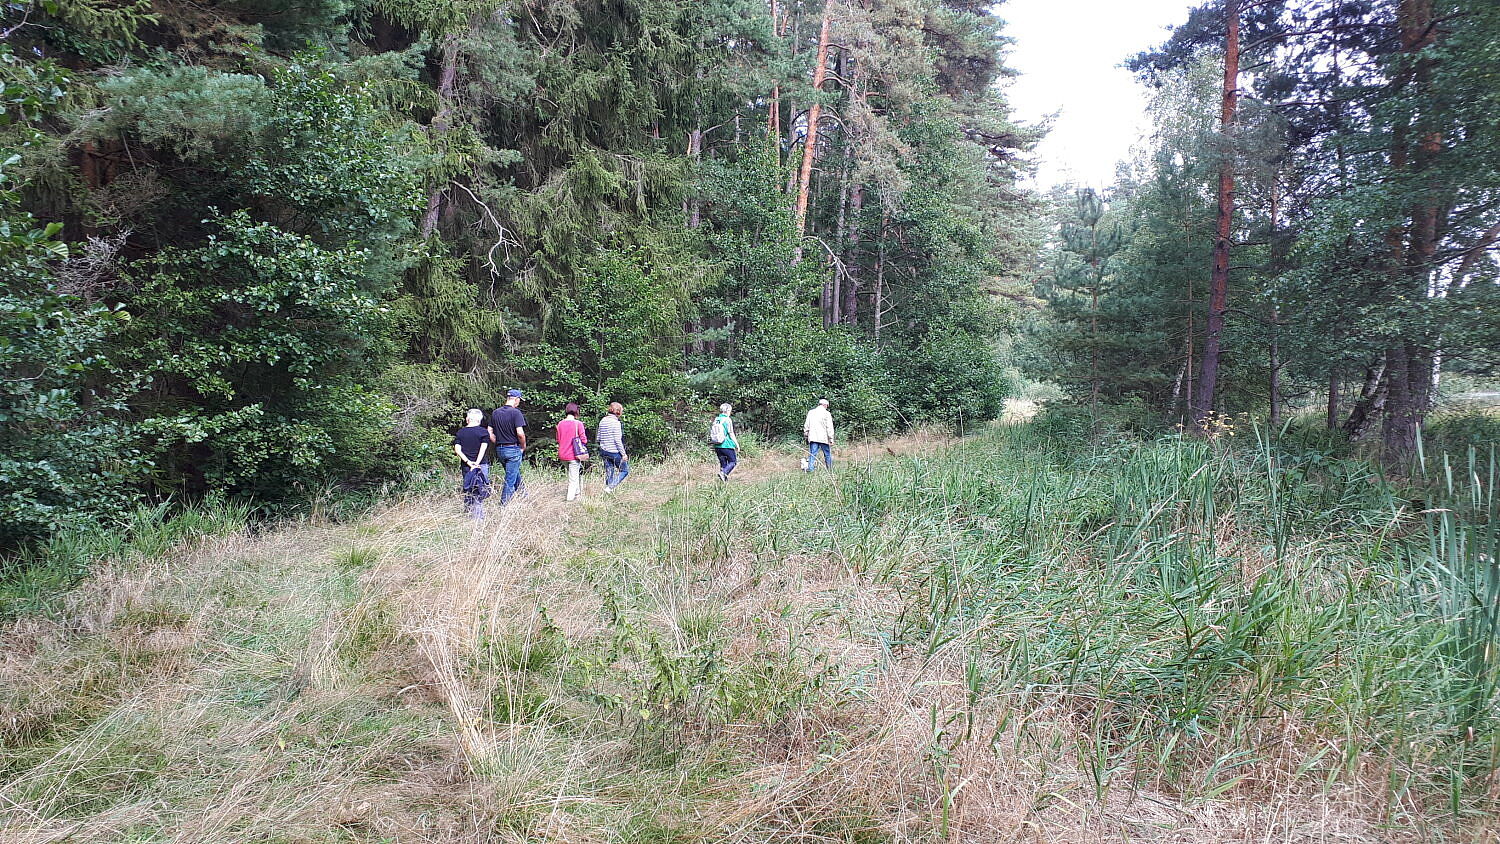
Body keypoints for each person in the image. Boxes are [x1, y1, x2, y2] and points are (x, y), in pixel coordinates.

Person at [452, 409, 491, 519]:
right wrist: (476, 464)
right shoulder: (483, 432)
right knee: (479, 490)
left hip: (466, 466)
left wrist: (469, 463)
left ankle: (468, 515)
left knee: (468, 489)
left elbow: (458, 450)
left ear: (467, 419)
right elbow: (483, 449)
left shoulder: (461, 432)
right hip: (481, 465)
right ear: (479, 420)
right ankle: (478, 518)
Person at [490, 389, 527, 505]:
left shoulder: (495, 413)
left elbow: (489, 431)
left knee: (514, 473)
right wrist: (523, 446)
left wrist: (497, 442)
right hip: (513, 449)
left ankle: (524, 496)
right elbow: (520, 433)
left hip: (500, 450)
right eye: (519, 400)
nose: (519, 403)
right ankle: (503, 505)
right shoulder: (516, 413)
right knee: (510, 479)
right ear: (516, 399)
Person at [556, 402, 589, 502]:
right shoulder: (578, 424)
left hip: (562, 455)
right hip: (574, 455)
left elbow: (558, 439)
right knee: (573, 479)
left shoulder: (560, 423)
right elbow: (584, 440)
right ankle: (569, 500)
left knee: (573, 475)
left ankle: (578, 494)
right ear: (576, 411)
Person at [597, 402, 629, 492]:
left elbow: (598, 438)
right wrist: (624, 454)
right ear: (618, 412)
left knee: (609, 471)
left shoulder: (602, 421)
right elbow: (617, 441)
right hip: (614, 452)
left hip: (603, 451)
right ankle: (610, 487)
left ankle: (608, 490)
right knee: (624, 470)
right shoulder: (616, 423)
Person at [803, 398, 835, 471]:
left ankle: (810, 469)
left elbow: (806, 425)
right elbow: (829, 427)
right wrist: (831, 438)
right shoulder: (827, 414)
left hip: (813, 437)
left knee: (812, 454)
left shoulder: (811, 412)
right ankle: (829, 469)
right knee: (827, 454)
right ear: (825, 405)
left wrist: (806, 434)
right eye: (827, 405)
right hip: (824, 438)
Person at [710, 403, 738, 481]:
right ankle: (723, 473)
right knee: (733, 462)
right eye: (730, 410)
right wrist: (736, 444)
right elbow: (731, 433)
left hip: (717, 445)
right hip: (726, 445)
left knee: (723, 465)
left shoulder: (717, 419)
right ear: (727, 410)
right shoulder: (727, 419)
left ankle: (723, 484)